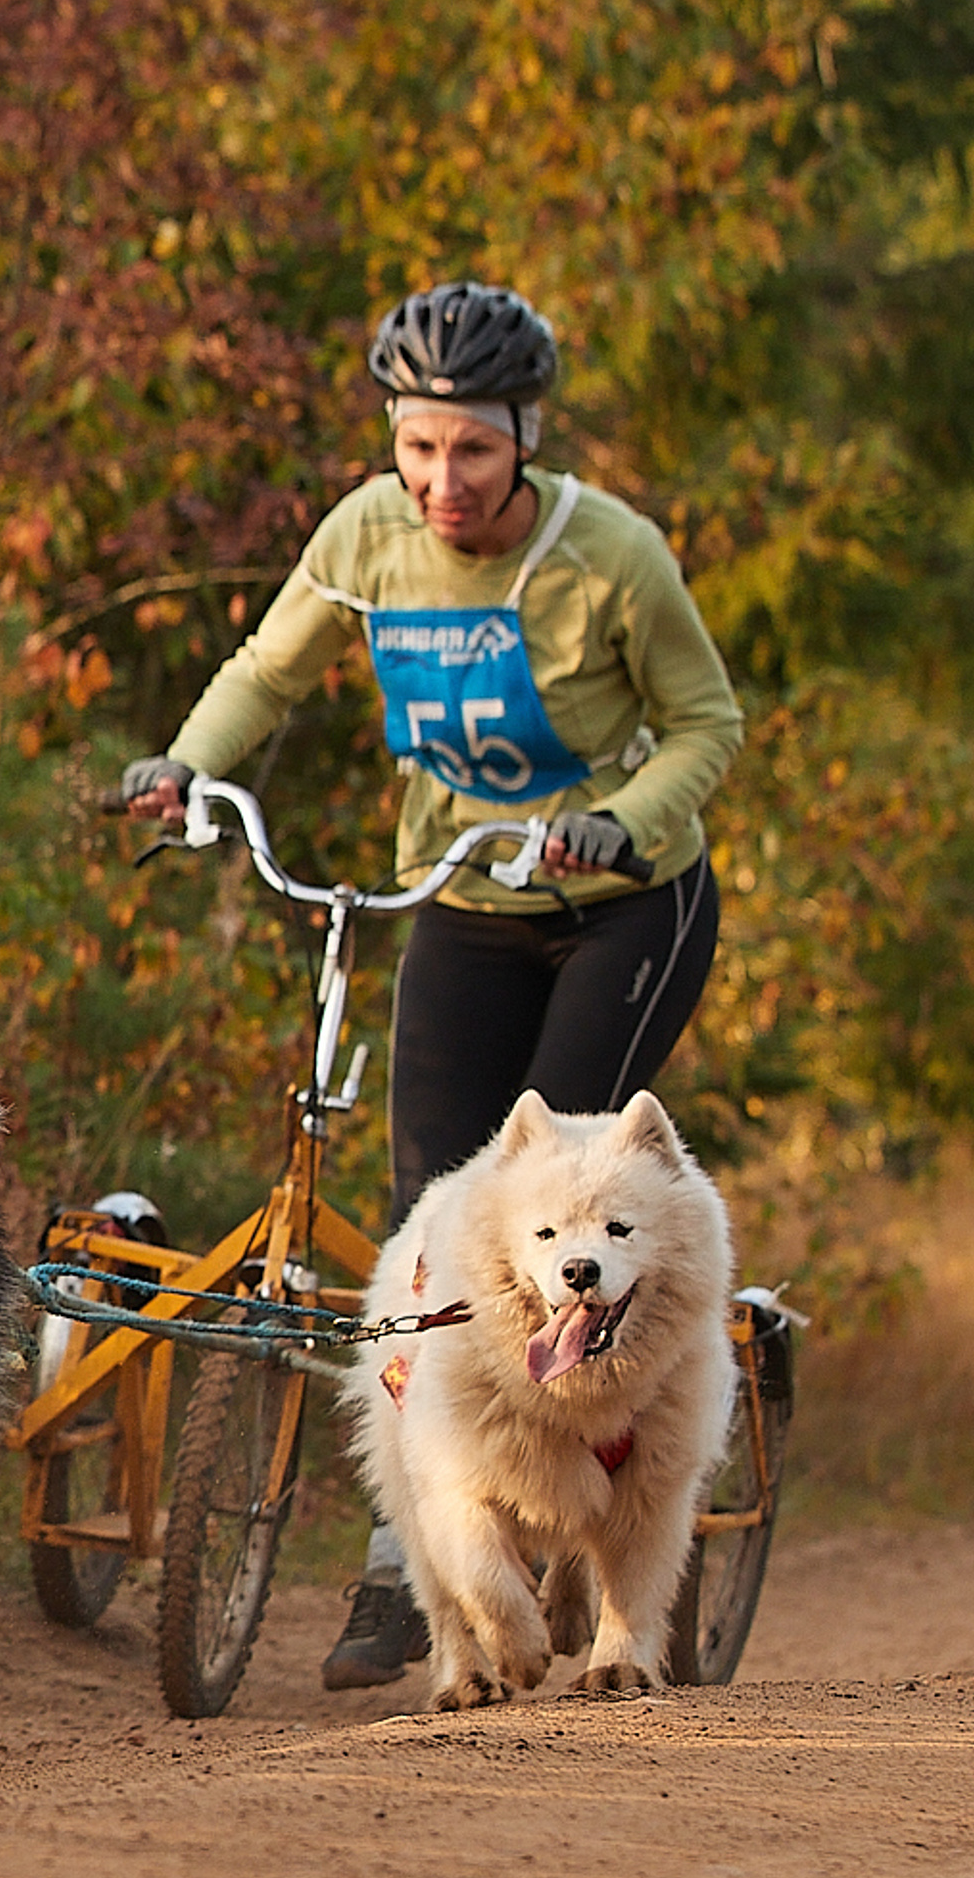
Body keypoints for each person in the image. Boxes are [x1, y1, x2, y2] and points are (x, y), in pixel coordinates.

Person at [119, 281, 743, 1689]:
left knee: (561, 1188)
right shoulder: (367, 535)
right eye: (417, 448)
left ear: (526, 439)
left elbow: (707, 724)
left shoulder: (612, 556)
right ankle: (420, 1551)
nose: (442, 480)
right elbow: (266, 669)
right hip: (460, 897)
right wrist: (186, 764)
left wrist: (623, 822)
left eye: (472, 448)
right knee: (435, 1213)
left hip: (625, 902)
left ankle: (606, 1502)